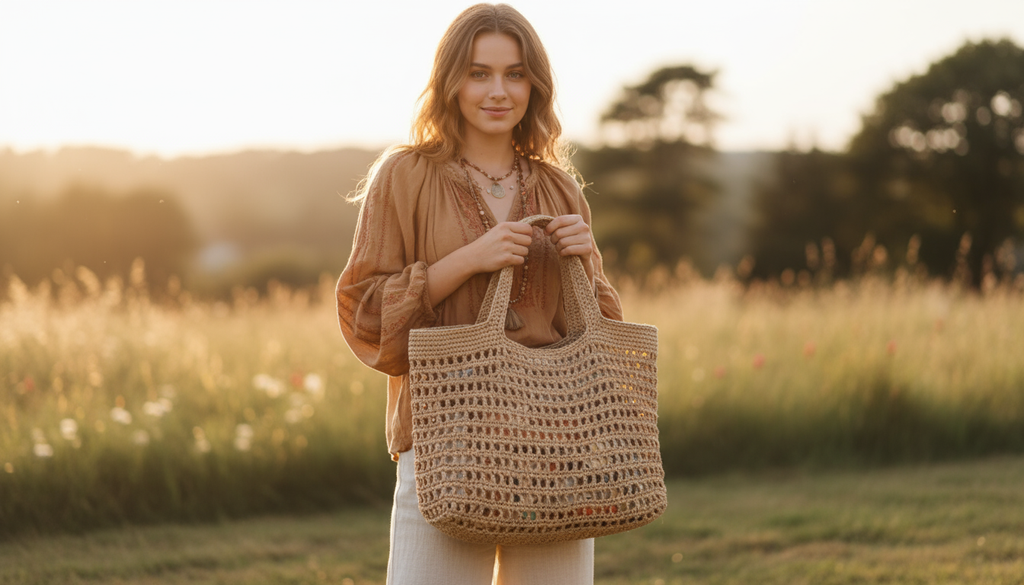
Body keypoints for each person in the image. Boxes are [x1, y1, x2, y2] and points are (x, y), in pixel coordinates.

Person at [336, 4, 623, 584]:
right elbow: (364, 314)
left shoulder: (559, 186)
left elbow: (600, 336)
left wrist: (586, 262)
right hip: (446, 443)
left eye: (515, 74)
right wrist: (467, 261)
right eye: (478, 72)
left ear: (534, 86)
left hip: (557, 446)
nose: (498, 90)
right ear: (450, 82)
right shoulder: (405, 176)